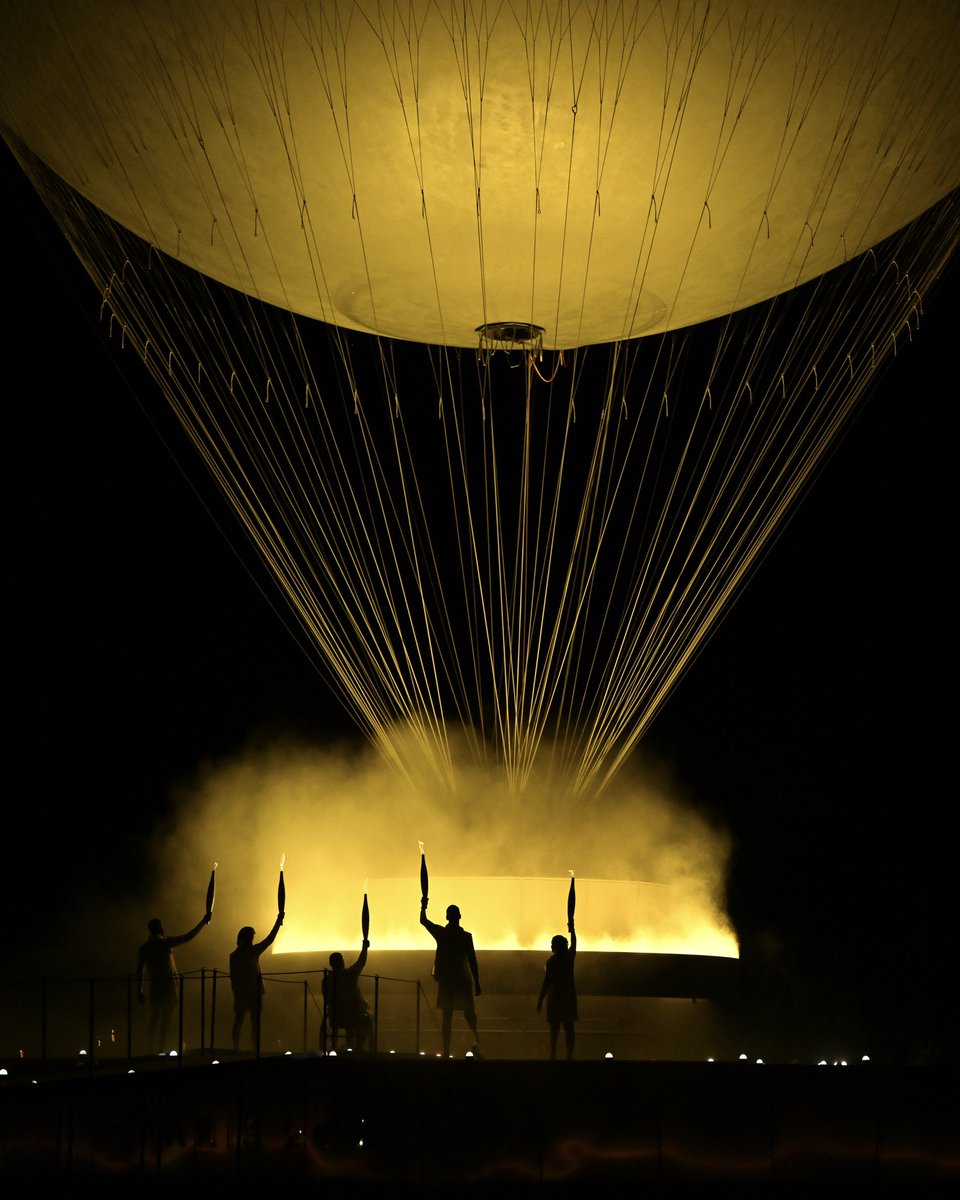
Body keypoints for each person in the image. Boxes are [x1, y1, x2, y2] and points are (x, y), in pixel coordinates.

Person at [136, 912, 210, 1052]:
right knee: (165, 1021)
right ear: (159, 929)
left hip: (155, 986)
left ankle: (150, 1049)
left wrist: (139, 990)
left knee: (154, 1018)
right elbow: (188, 937)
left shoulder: (144, 948)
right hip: (168, 987)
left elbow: (140, 970)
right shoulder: (165, 943)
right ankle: (159, 1048)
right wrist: (203, 922)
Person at [419, 900, 481, 1057]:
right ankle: (477, 1039)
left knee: (447, 1017)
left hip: (447, 982)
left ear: (447, 917)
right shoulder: (466, 937)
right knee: (468, 1012)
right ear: (459, 917)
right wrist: (477, 982)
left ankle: (446, 1050)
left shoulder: (442, 933)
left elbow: (423, 921)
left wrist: (424, 906)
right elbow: (472, 960)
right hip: (462, 981)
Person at [229, 911, 284, 1051]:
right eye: (251, 937)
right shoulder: (252, 951)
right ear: (247, 938)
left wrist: (236, 991)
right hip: (253, 992)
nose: (252, 939)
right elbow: (269, 939)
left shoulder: (234, 956)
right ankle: (255, 1049)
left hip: (242, 992)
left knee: (239, 1020)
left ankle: (237, 1047)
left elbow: (233, 978)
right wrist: (278, 922)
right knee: (254, 1023)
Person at [537, 920, 578, 1060]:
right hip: (568, 998)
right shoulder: (568, 958)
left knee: (554, 1030)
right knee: (569, 1028)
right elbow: (574, 944)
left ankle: (553, 1056)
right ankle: (569, 1055)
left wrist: (541, 999)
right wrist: (572, 929)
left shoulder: (551, 962)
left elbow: (546, 982)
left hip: (555, 999)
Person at [323, 939, 373, 1051]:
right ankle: (359, 1045)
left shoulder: (326, 980)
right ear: (342, 962)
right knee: (368, 1016)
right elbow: (361, 962)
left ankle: (339, 1044)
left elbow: (326, 999)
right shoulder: (350, 974)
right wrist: (365, 948)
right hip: (353, 1015)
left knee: (347, 1009)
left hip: (335, 1016)